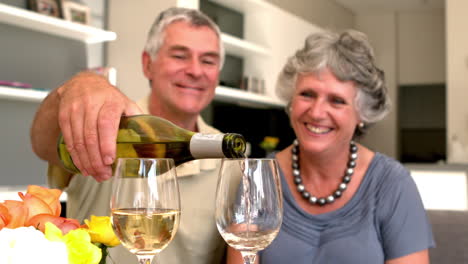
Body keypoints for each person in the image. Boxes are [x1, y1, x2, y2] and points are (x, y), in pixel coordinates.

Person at [31, 7, 227, 264]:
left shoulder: (226, 154)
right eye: (180, 56)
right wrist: (78, 85)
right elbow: (42, 145)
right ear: (148, 64)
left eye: (208, 60)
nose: (195, 70)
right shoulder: (103, 130)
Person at [226, 29, 435, 264]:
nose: (316, 112)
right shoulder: (257, 178)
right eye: (307, 94)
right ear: (291, 101)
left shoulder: (393, 184)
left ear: (362, 114)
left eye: (337, 100)